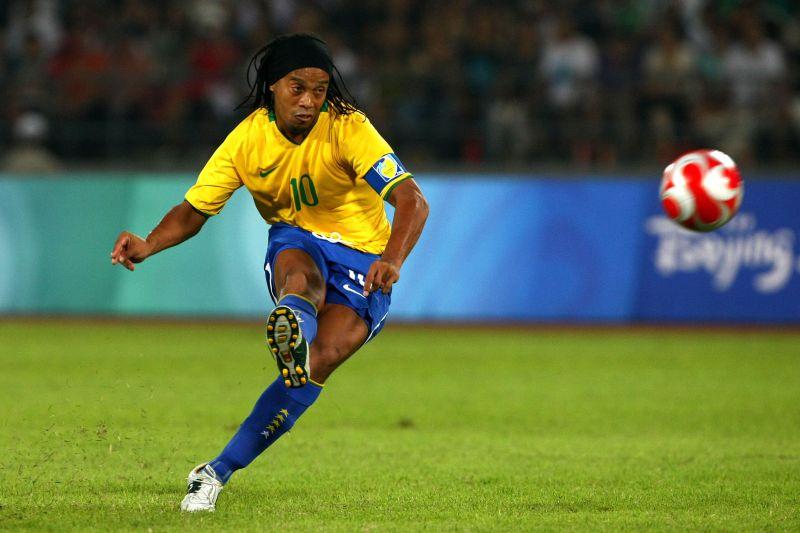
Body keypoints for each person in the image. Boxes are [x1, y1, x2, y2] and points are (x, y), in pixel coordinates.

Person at [109, 33, 429, 512]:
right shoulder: (247, 140)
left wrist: (393, 259)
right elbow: (194, 210)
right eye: (297, 88)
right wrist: (148, 243)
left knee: (319, 361)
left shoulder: (348, 127)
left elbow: (412, 200)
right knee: (300, 278)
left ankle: (215, 469)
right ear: (273, 86)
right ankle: (293, 322)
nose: (309, 101)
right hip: (297, 239)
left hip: (364, 259)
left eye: (319, 90)